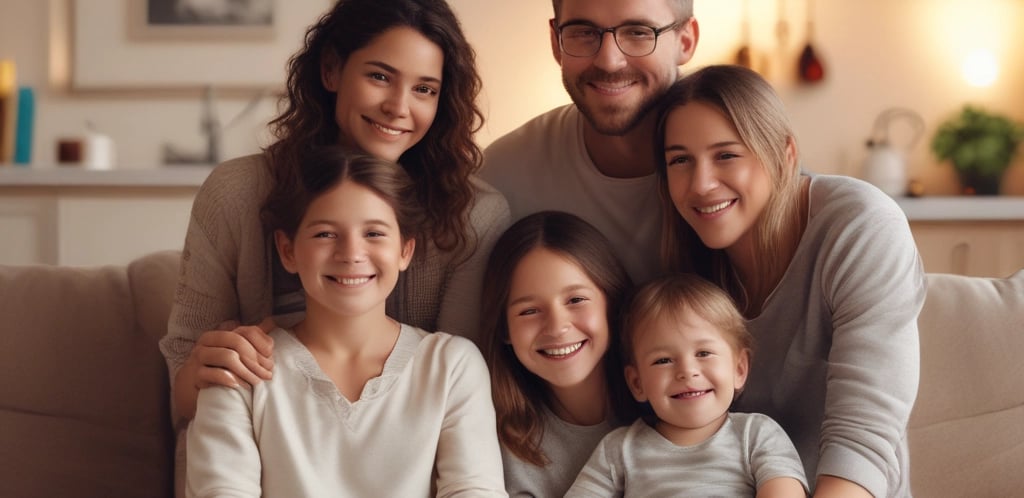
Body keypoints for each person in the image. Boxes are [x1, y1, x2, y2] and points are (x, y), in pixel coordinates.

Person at [160, 0, 510, 429]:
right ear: (331, 70)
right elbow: (183, 383)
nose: (399, 107)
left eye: (425, 89)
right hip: (248, 444)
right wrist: (207, 368)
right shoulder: (235, 193)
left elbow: (462, 399)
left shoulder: (474, 216)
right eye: (379, 76)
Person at [654, 64, 925, 497]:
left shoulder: (861, 225)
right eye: (680, 160)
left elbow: (862, 444)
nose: (700, 184)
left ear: (785, 154)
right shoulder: (681, 264)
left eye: (726, 155)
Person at [186, 147, 506, 497]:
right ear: (288, 250)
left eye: (374, 234)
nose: (351, 254)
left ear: (405, 250)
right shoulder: (241, 368)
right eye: (325, 234)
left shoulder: (452, 366)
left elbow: (475, 490)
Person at [481, 0, 699, 284]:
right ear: (556, 42)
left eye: (638, 32)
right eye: (583, 32)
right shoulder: (498, 179)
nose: (608, 61)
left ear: (685, 41)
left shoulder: (745, 167)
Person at [566, 273, 808, 497]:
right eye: (663, 360)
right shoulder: (619, 449)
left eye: (703, 353)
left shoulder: (757, 434)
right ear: (637, 383)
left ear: (739, 369)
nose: (686, 371)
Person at [480, 210, 638, 497]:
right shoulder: (492, 449)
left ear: (612, 303)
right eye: (529, 311)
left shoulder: (672, 404)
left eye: (576, 300)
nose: (556, 327)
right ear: (504, 329)